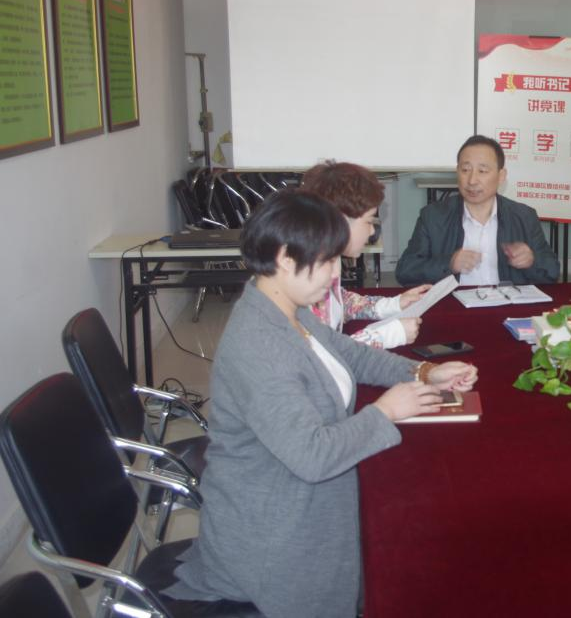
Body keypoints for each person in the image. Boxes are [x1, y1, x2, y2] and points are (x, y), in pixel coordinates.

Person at [166, 190, 477, 617]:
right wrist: (385, 412)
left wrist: (423, 372)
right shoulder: (258, 346)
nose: (335, 274)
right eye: (327, 261)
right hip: (272, 541)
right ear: (284, 258)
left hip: (294, 505)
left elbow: (350, 354)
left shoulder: (284, 309)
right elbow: (312, 456)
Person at [395, 135, 560, 286]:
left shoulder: (524, 216)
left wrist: (532, 261)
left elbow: (552, 272)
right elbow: (405, 272)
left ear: (501, 176)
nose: (472, 180)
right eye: (465, 170)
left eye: (482, 171)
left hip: (507, 303)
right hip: (455, 304)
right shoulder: (433, 216)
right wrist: (448, 263)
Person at [301, 160, 431, 348]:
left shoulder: (328, 257)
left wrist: (393, 305)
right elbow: (321, 355)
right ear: (340, 220)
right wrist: (386, 336)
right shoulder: (302, 275)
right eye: (369, 221)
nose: (371, 231)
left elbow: (339, 302)